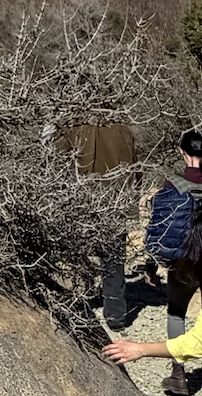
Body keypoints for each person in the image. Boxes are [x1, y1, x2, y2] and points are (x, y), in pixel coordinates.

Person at [109, 130, 202, 394]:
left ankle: (178, 373)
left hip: (181, 262)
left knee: (176, 312)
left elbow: (159, 227)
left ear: (182, 153)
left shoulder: (174, 184)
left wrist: (151, 263)